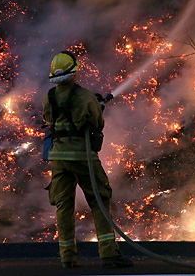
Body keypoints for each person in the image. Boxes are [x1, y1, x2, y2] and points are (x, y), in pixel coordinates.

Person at [42, 51, 133, 268]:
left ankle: (67, 257)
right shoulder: (84, 96)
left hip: (58, 157)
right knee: (99, 200)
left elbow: (49, 120)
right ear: (73, 73)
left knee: (63, 206)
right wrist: (97, 107)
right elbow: (96, 124)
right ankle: (109, 254)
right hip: (82, 157)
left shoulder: (49, 96)